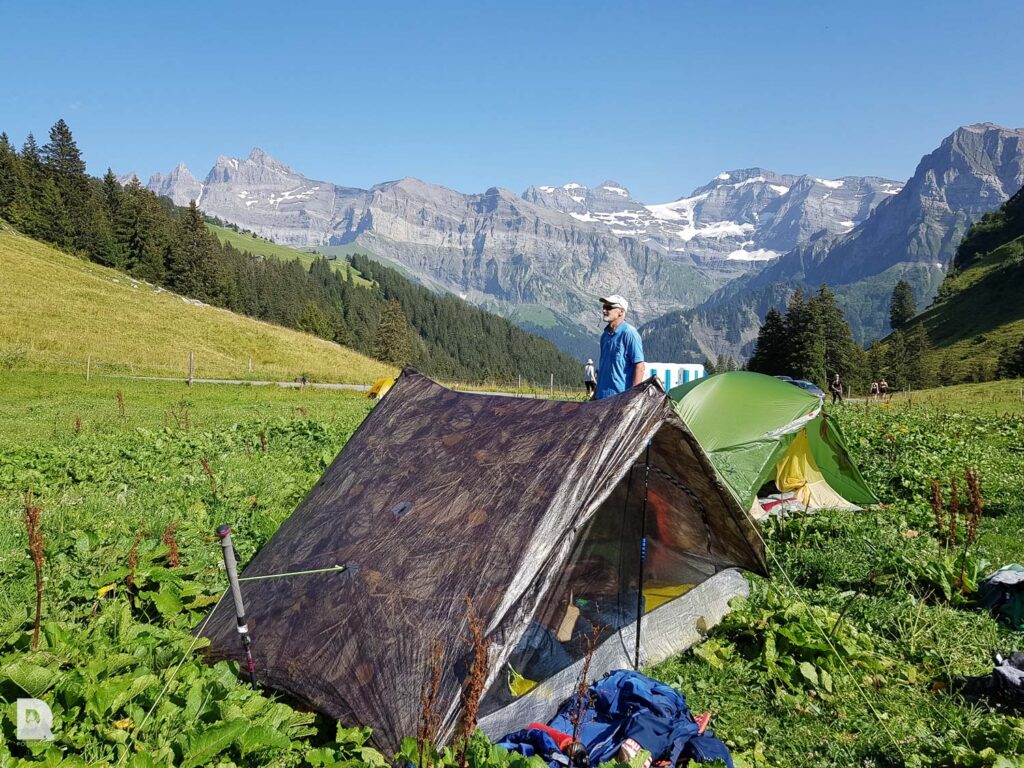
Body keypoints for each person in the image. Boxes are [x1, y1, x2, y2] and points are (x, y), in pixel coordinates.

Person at [594, 295, 645, 400]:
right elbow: (603, 367)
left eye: (608, 307)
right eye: (604, 307)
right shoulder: (605, 336)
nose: (604, 310)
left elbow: (639, 366)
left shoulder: (630, 334)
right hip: (601, 397)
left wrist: (632, 397)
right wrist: (595, 394)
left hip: (620, 398)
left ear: (621, 312)